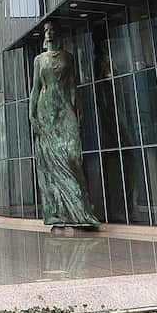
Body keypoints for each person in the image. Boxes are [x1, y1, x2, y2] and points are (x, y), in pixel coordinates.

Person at [29, 20, 99, 227]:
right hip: (45, 109)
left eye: (53, 30)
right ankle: (60, 211)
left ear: (58, 34)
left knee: (72, 156)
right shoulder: (39, 60)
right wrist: (32, 115)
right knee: (52, 161)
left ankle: (80, 209)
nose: (49, 34)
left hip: (64, 107)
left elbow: (72, 86)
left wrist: (78, 111)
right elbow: (34, 89)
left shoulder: (68, 57)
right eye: (46, 31)